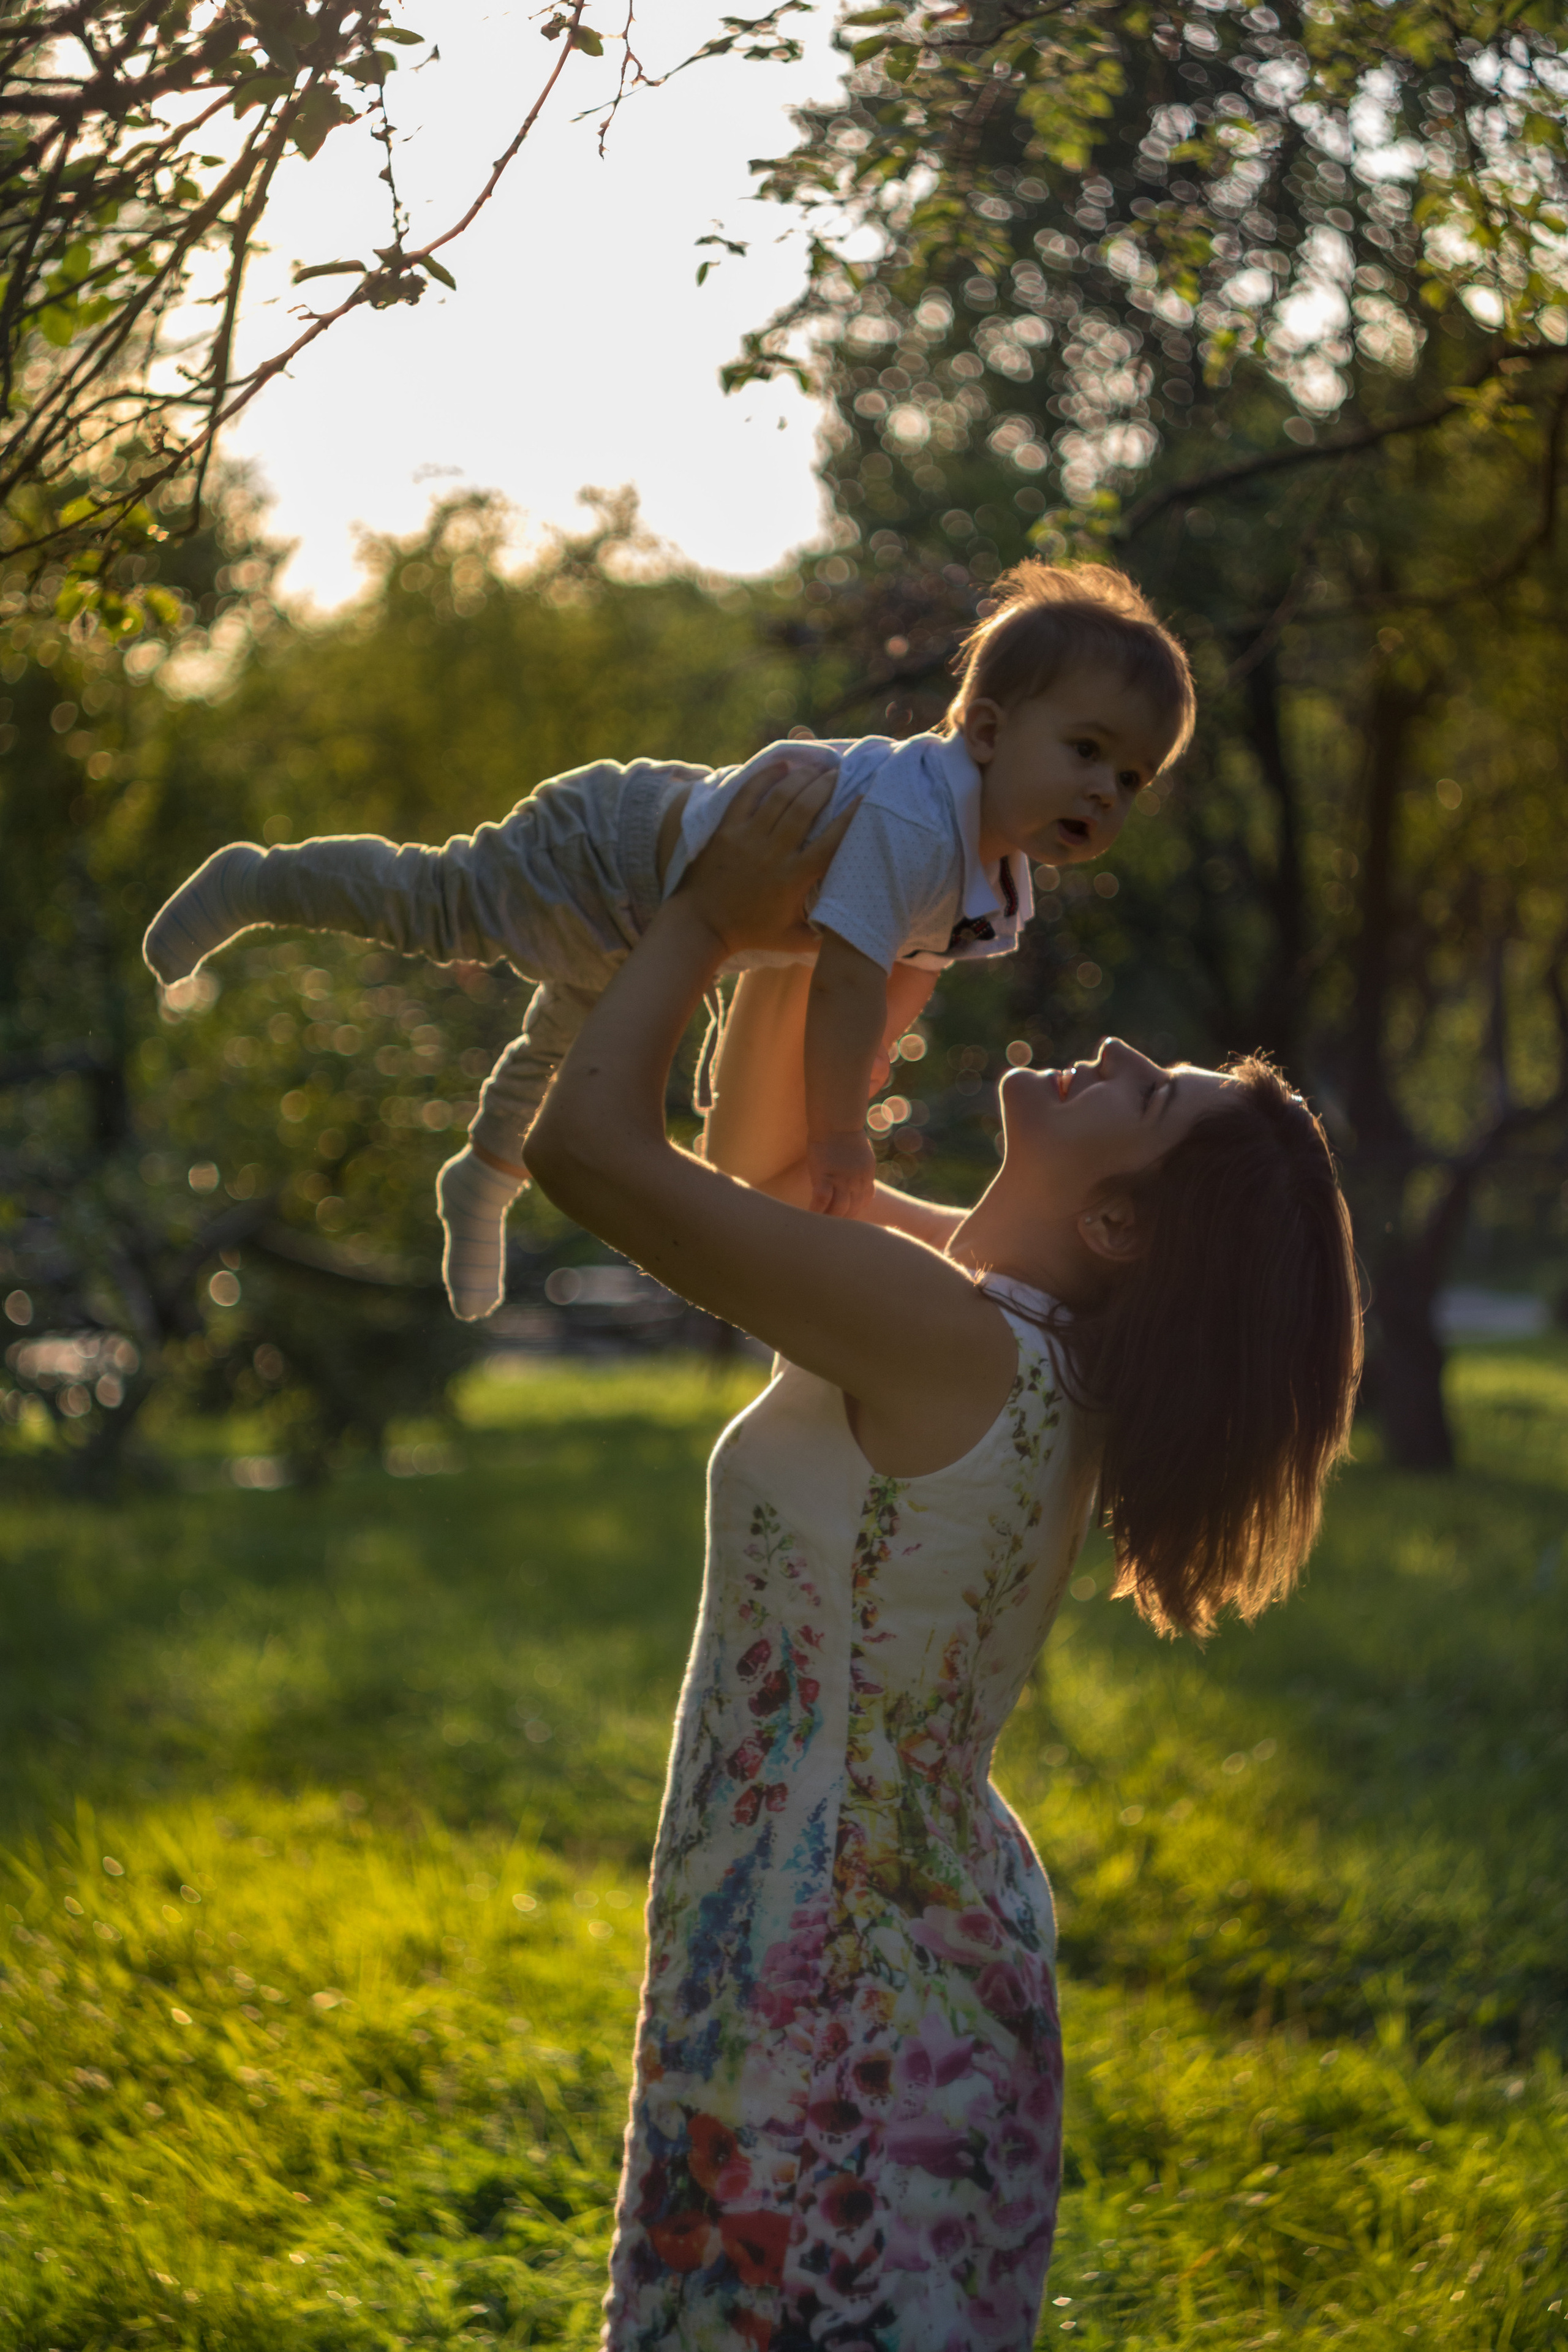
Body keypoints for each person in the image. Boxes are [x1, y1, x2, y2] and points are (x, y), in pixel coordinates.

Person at [521, 764, 1363, 2351]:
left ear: (1120, 1225)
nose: (1114, 1052)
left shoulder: (947, 1337)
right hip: (893, 1953)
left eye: (1152, 1093)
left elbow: (587, 1153)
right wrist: (828, 919)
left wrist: (705, 914)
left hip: (828, 1980)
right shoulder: (1020, 1341)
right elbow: (781, 1174)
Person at [140, 561, 1194, 1321]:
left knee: (566, 1049)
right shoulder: (922, 817)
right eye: (1087, 750)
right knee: (438, 902)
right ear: (990, 730)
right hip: (617, 850)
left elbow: (902, 978)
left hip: (686, 925)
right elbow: (845, 980)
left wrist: (862, 1073)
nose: (1105, 788)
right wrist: (836, 1133)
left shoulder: (999, 887)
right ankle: (263, 879)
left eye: (1132, 778)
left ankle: (483, 1177)